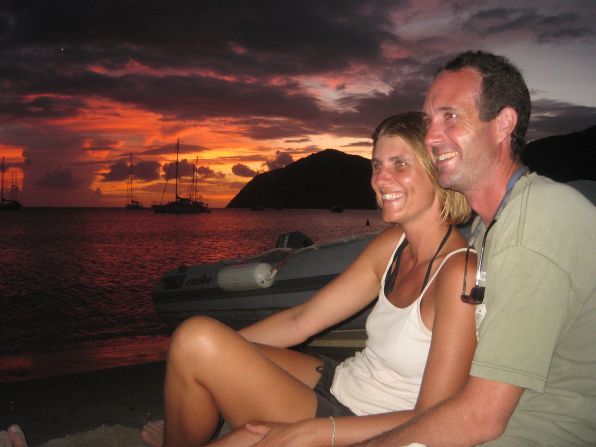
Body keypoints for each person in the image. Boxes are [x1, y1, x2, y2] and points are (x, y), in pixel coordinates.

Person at [141, 111, 478, 447]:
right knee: (195, 343)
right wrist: (216, 353)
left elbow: (436, 415)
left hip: (365, 426)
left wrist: (320, 430)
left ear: (438, 171)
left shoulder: (457, 274)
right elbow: (301, 320)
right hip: (337, 383)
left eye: (399, 164)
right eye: (376, 165)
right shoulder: (394, 245)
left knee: (201, 351)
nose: (380, 179)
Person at [350, 51, 596, 446]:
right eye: (430, 120)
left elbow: (481, 418)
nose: (431, 135)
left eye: (451, 116)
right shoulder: (489, 226)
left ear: (503, 124)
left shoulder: (534, 224)